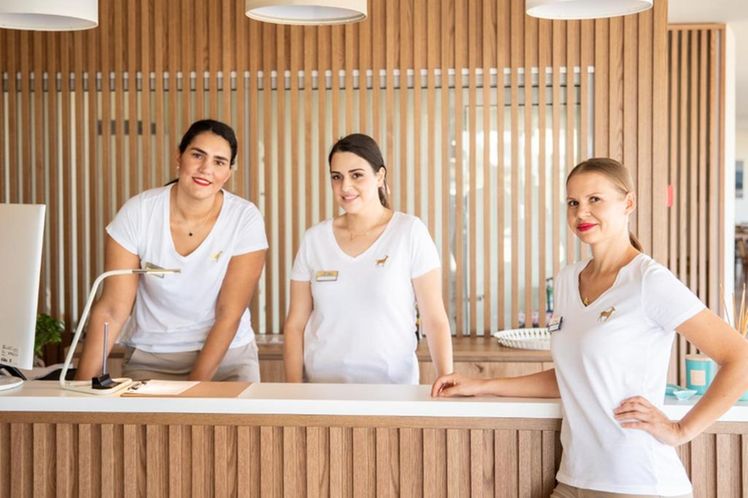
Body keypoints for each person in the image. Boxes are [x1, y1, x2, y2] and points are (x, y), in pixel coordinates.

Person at [432, 158, 748, 497]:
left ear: (628, 203)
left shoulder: (648, 281)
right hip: (574, 478)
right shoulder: (568, 280)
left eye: (595, 199)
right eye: (573, 202)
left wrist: (680, 430)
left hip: (639, 483)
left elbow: (740, 357)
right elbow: (573, 374)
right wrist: (481, 385)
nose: (581, 212)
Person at [76, 119, 268, 382]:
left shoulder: (244, 218)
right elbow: (112, 309)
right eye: (197, 155)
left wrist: (191, 391)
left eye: (219, 162)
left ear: (228, 173)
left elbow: (229, 314)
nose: (206, 169)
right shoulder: (139, 212)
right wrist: (78, 389)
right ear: (179, 156)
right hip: (152, 357)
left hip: (227, 358)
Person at [283, 133, 453, 384]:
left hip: (393, 391)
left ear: (380, 176)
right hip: (321, 391)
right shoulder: (314, 239)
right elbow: (295, 324)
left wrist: (446, 380)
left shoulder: (409, 232)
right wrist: (293, 391)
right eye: (337, 177)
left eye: (357, 175)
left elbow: (434, 319)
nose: (345, 187)